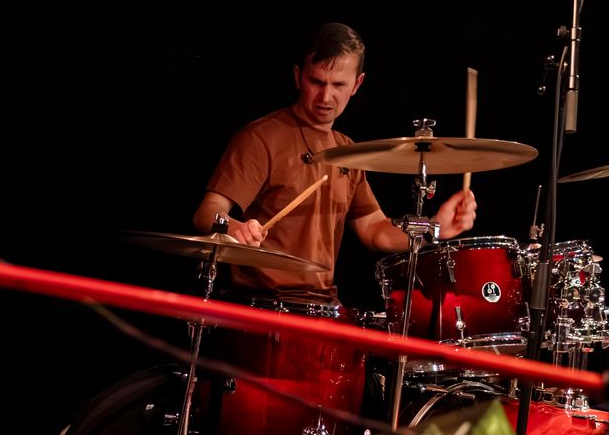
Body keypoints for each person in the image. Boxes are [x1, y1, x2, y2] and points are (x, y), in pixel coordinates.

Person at [192, 22, 477, 303]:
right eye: (316, 82)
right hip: (262, 304)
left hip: (322, 305)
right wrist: (235, 227)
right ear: (298, 76)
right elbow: (207, 213)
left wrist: (435, 228)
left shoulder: (346, 151)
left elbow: (374, 230)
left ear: (357, 84)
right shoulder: (262, 138)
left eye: (338, 85)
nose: (326, 97)